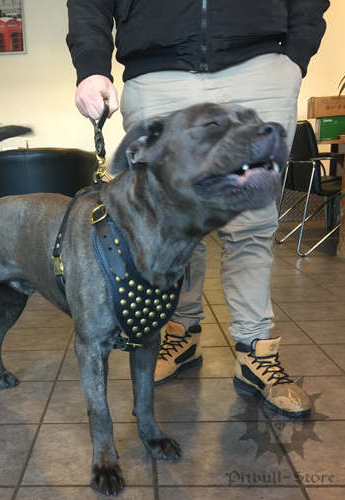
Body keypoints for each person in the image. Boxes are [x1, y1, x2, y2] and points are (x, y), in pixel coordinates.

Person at [66, 0, 330, 417]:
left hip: (259, 63)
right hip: (156, 70)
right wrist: (91, 64)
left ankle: (254, 351)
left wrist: (296, 55)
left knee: (251, 225)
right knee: (170, 223)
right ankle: (181, 334)